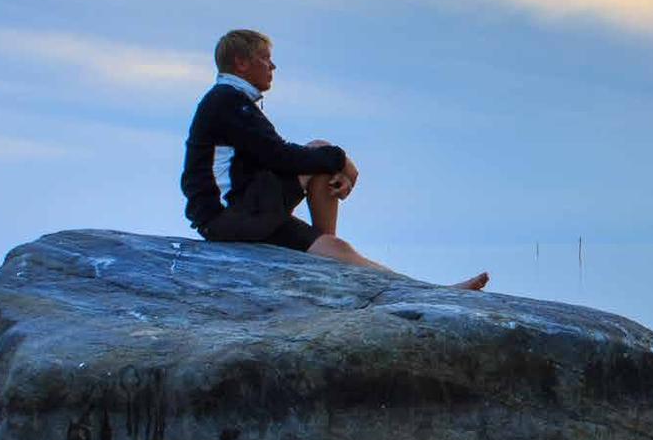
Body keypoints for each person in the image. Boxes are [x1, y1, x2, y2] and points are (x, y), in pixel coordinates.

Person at [181, 29, 489, 290]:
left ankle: (430, 292)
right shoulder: (226, 101)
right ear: (242, 63)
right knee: (320, 151)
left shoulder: (236, 102)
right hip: (229, 216)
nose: (273, 66)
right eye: (265, 58)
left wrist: (333, 162)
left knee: (335, 249)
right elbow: (280, 156)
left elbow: (274, 158)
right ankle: (328, 256)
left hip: (243, 215)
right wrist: (342, 160)